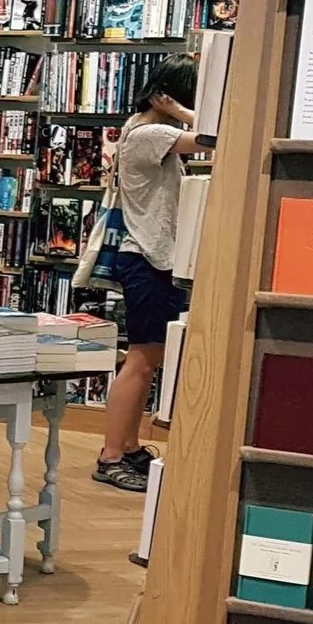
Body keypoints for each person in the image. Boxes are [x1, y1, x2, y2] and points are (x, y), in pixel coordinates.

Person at [94, 57, 211, 492]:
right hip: (147, 258)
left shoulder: (137, 128)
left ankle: (127, 444)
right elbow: (220, 138)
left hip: (149, 257)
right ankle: (111, 455)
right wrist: (182, 113)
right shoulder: (152, 132)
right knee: (142, 360)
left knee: (149, 358)